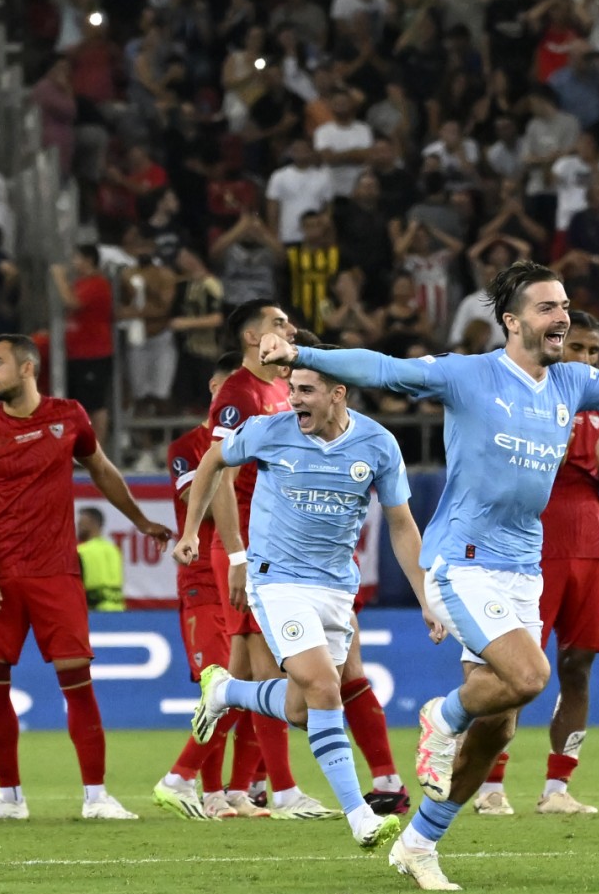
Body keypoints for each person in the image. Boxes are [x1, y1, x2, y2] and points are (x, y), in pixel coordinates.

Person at [257, 260, 599, 891]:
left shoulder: (570, 382)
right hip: (463, 561)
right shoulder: (469, 375)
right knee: (531, 676)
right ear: (512, 322)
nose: (561, 315)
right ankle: (442, 716)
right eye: (546, 307)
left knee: (503, 724)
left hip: (520, 567)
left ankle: (420, 842)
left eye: (564, 305)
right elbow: (383, 369)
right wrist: (297, 355)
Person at [183, 346, 432, 852]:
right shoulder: (268, 430)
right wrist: (192, 528)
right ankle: (359, 816)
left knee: (302, 709)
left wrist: (426, 597)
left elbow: (403, 526)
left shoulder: (378, 444)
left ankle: (227, 692)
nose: (292, 400)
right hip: (277, 581)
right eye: (291, 389)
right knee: (323, 687)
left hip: (337, 588)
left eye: (305, 391)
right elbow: (212, 461)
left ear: (338, 394)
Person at [0, 334, 171, 822]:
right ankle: (8, 797)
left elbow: (103, 471)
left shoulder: (69, 416)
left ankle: (97, 796)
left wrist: (140, 521)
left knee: (77, 680)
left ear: (27, 368)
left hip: (56, 572)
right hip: (0, 578)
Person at [177, 300, 337, 820]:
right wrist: (238, 555)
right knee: (268, 670)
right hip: (246, 550)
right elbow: (219, 473)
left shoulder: (277, 390)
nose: (289, 330)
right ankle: (284, 791)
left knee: (244, 672)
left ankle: (194, 779)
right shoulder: (239, 394)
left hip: (270, 546)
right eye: (278, 324)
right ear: (252, 336)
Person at [476, 310, 599, 816]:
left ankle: (556, 789)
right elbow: (508, 472)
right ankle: (489, 785)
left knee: (578, 668)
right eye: (578, 349)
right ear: (556, 347)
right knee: (519, 671)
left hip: (589, 546)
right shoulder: (529, 400)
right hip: (534, 547)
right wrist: (572, 453)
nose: (586, 359)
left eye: (594, 351)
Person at [152, 351, 247, 820]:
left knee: (257, 685)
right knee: (221, 687)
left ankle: (241, 791)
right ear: (215, 390)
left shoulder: (268, 437)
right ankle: (207, 791)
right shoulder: (189, 446)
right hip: (204, 583)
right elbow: (200, 500)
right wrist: (235, 475)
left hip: (250, 573)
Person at [77, 508, 124, 612]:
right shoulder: (114, 550)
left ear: (91, 523)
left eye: (80, 524)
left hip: (94, 612)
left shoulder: (81, 551)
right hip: (119, 611)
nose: (78, 528)